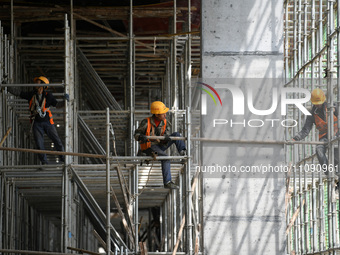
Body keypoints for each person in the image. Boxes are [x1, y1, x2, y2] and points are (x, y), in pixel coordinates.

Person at [7, 76, 69, 165]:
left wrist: (65, 101)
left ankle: (63, 158)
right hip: (36, 123)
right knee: (39, 144)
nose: (36, 84)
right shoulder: (32, 95)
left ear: (43, 85)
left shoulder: (49, 96)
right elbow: (19, 93)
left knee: (57, 140)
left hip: (48, 122)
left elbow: (57, 105)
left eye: (38, 82)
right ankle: (44, 162)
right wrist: (7, 87)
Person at [134, 101, 187, 189]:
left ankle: (183, 152)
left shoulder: (165, 122)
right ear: (157, 115)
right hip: (149, 147)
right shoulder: (146, 122)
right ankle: (167, 182)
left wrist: (166, 139)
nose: (165, 115)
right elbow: (136, 135)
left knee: (176, 135)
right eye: (163, 114)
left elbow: (165, 135)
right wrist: (141, 137)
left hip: (159, 145)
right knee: (165, 158)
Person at [292, 88, 339, 175]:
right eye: (316, 104)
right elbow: (306, 130)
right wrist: (295, 139)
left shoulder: (333, 107)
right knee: (319, 150)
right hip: (324, 137)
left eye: (319, 103)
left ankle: (337, 172)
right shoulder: (312, 113)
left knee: (336, 153)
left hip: (337, 134)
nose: (318, 105)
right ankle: (328, 173)